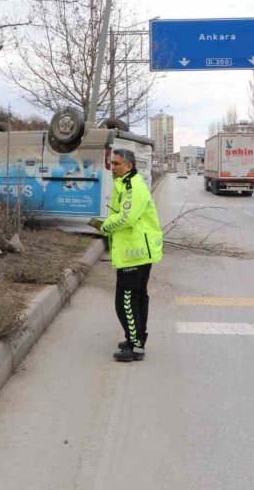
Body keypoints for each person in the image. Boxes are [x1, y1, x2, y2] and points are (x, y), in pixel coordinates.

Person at [90, 149, 163, 362]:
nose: (113, 167)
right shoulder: (124, 183)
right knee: (137, 298)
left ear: (129, 166)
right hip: (135, 252)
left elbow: (127, 218)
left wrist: (105, 225)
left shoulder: (133, 186)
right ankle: (136, 340)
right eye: (112, 164)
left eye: (117, 164)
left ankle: (135, 345)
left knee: (126, 301)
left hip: (135, 253)